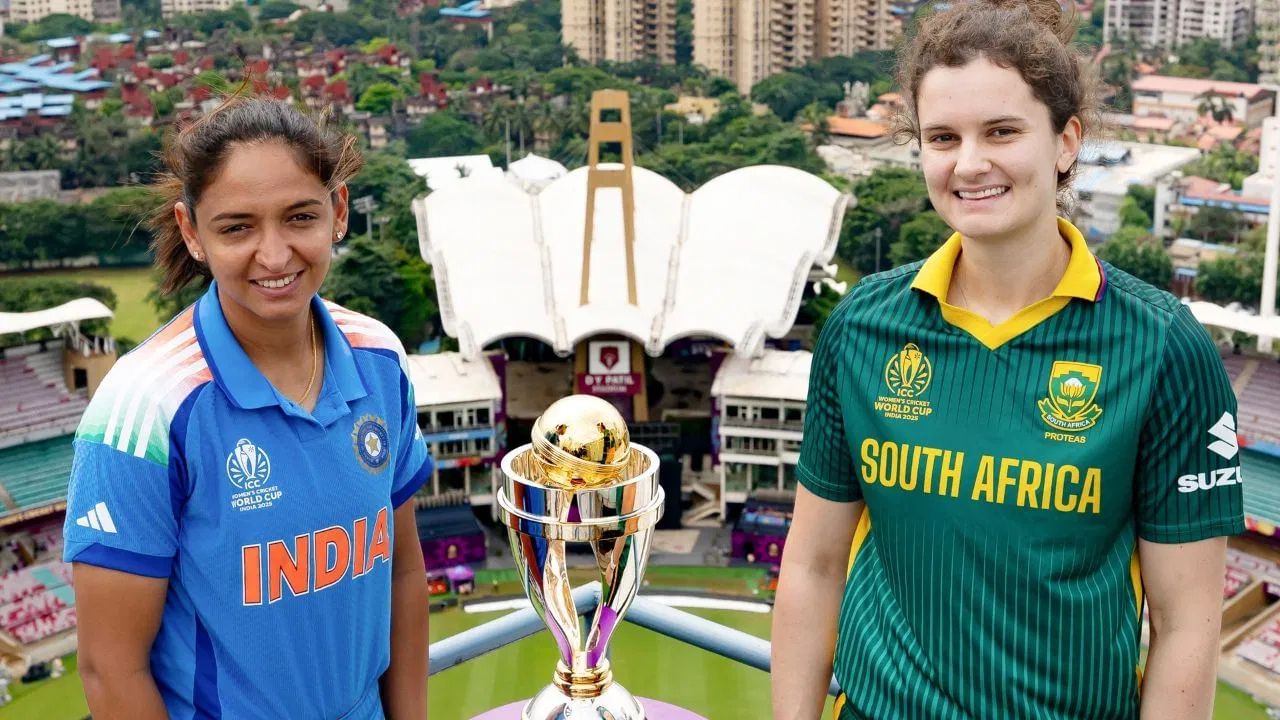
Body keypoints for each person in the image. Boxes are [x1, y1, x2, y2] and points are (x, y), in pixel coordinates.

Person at [771, 0, 1244, 717]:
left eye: (1002, 131)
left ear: (1065, 142)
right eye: (942, 137)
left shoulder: (1163, 346)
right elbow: (813, 566)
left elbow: (1186, 625)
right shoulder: (863, 325)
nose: (969, 163)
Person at [65, 97, 432, 720]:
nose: (275, 255)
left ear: (339, 212)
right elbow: (111, 667)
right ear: (192, 232)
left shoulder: (380, 359)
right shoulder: (147, 404)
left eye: (300, 217)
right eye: (237, 227)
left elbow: (401, 573)